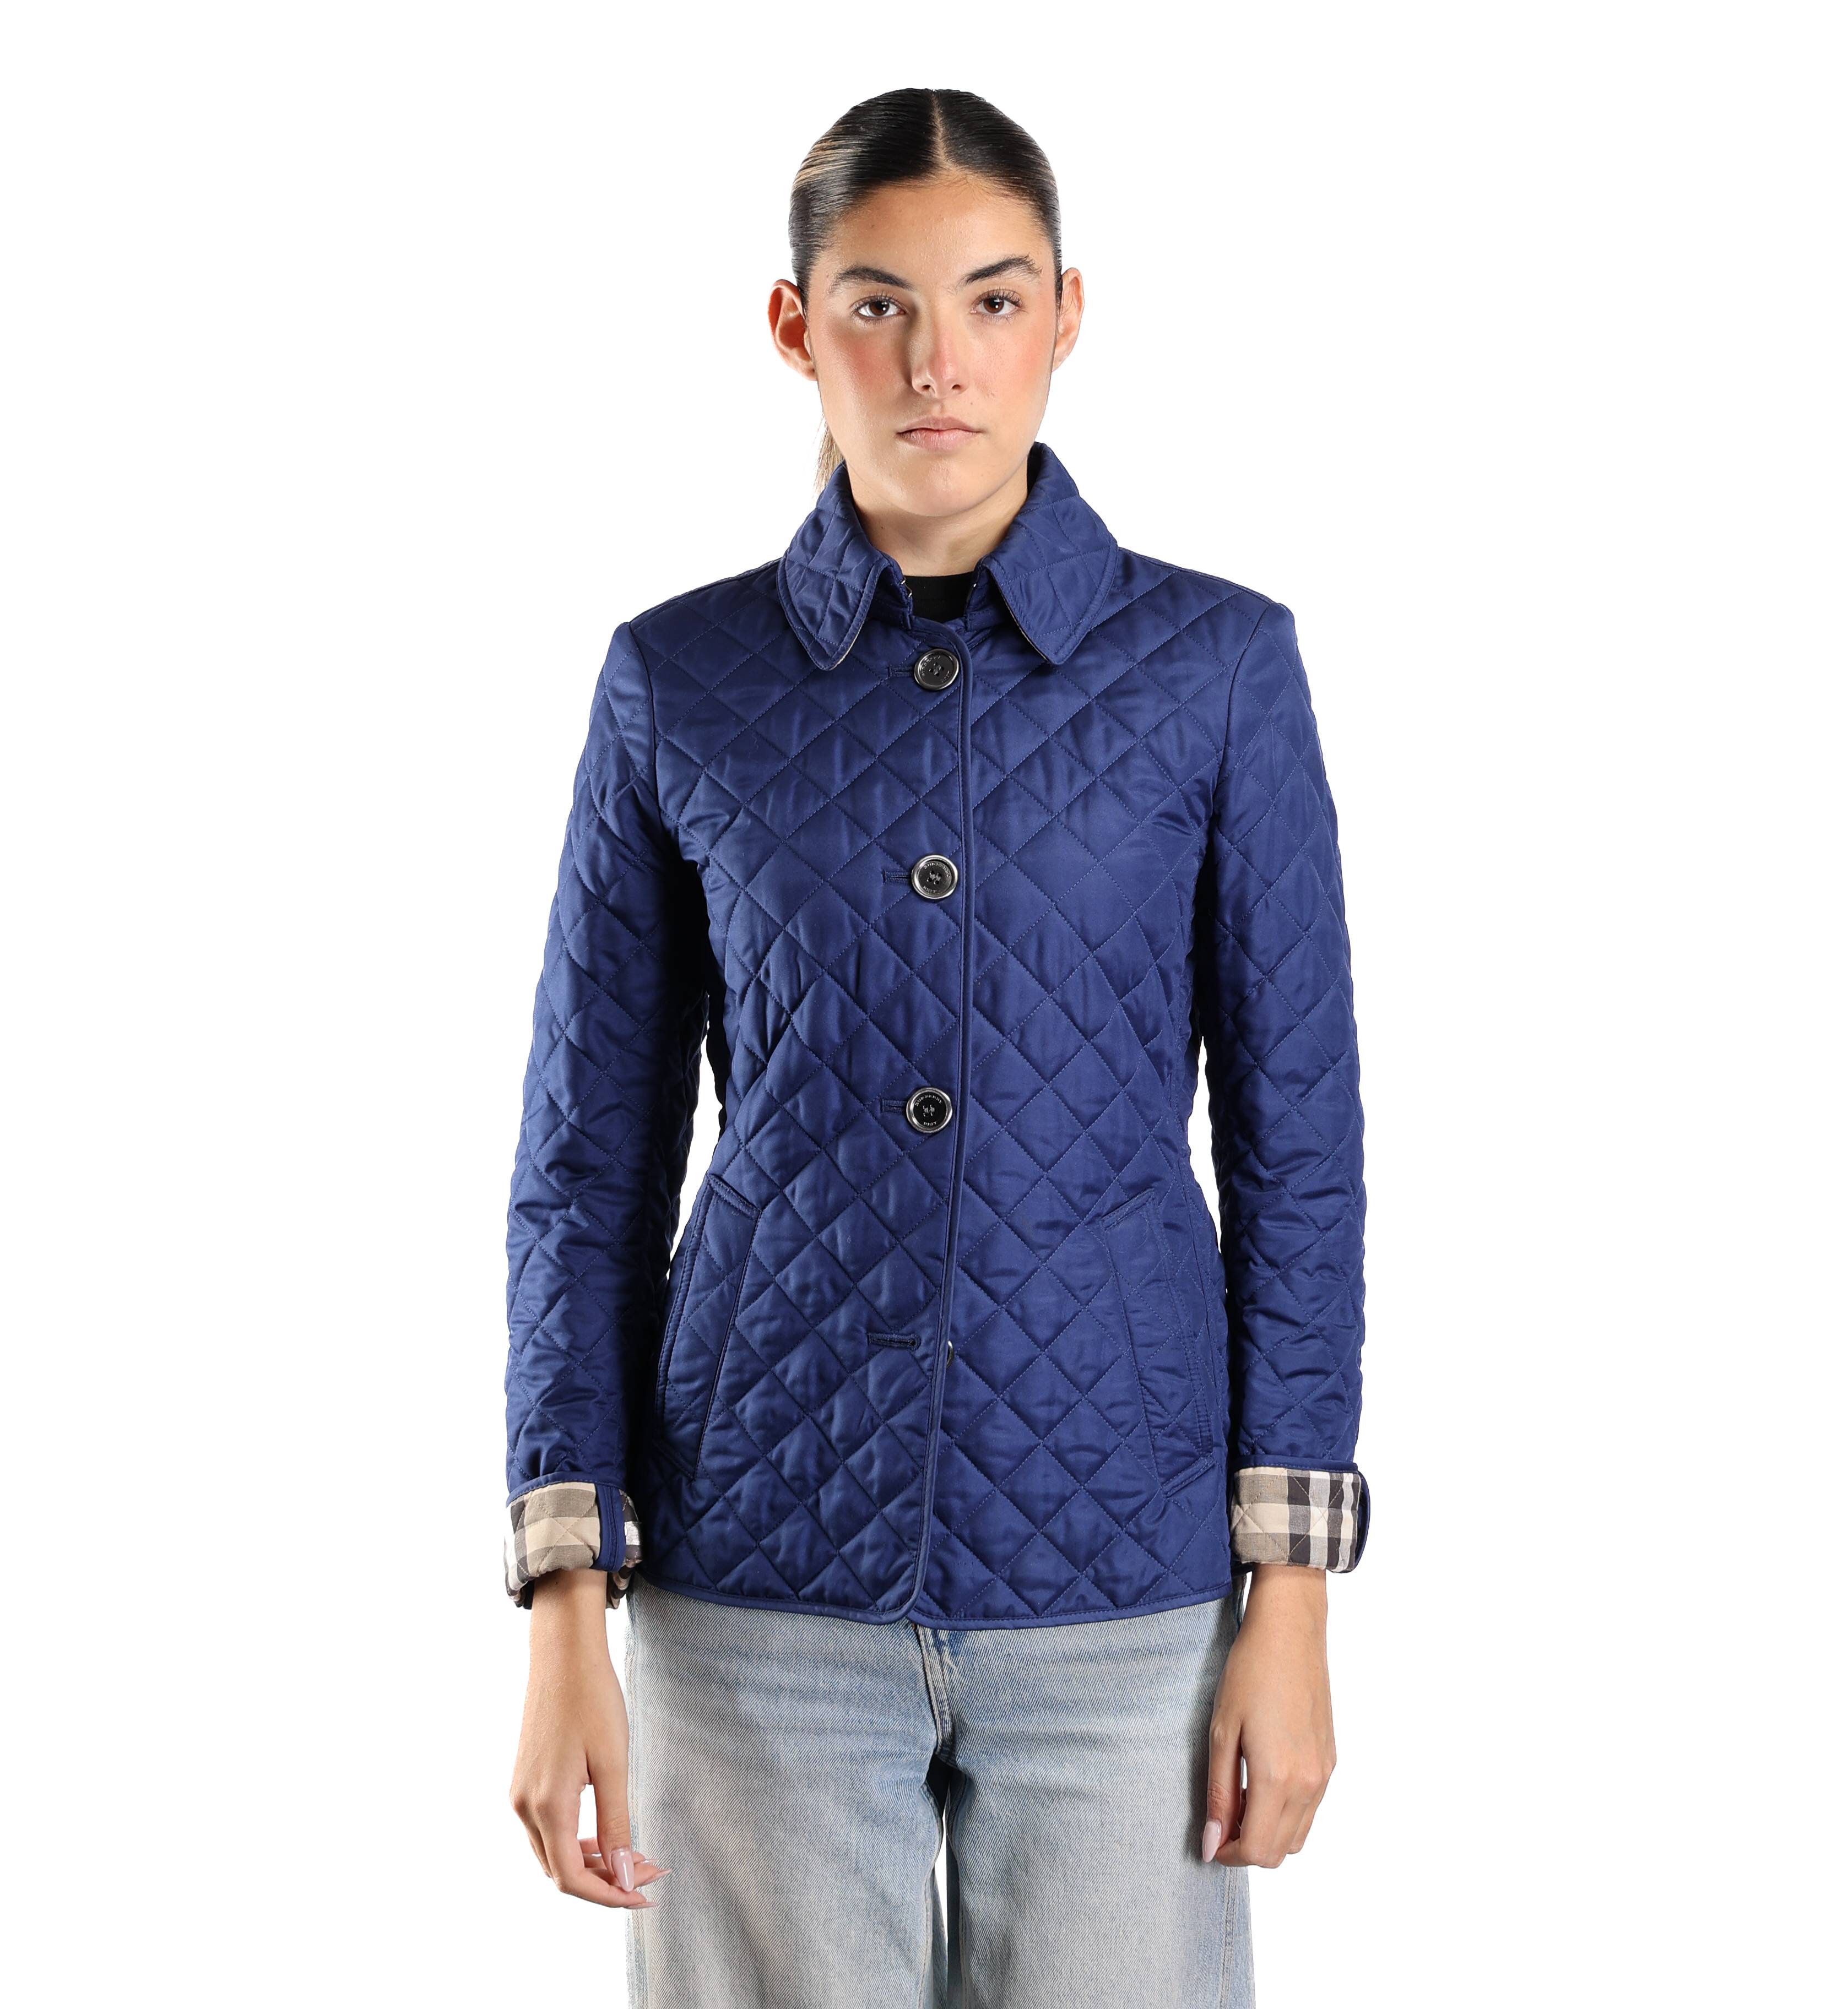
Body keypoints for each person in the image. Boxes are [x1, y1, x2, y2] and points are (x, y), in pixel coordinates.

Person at [503, 86, 1370, 2009]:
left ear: (1068, 314)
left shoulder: (1219, 670)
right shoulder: (678, 680)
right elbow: (588, 1163)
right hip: (756, 1581)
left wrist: (1295, 1592)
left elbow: (1298, 1147)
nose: (936, 362)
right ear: (795, 327)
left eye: (990, 301)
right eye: (878, 304)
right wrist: (564, 1599)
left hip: (1122, 1577)